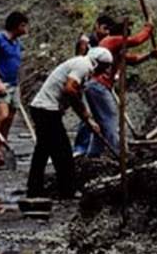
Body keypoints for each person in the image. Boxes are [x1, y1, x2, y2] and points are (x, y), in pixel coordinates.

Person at [26, 47, 110, 200]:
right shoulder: (83, 65)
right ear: (98, 63)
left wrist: (88, 119)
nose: (105, 71)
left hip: (43, 109)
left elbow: (74, 95)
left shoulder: (83, 67)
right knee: (62, 152)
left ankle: (34, 190)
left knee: (43, 151)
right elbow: (70, 90)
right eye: (104, 67)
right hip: (46, 110)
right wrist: (86, 116)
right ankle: (66, 191)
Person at [73, 17, 157, 159]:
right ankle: (118, 154)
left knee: (101, 122)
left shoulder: (115, 48)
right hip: (98, 86)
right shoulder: (111, 40)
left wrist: (150, 55)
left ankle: (94, 154)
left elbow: (132, 60)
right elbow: (137, 40)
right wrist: (148, 28)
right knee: (110, 120)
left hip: (97, 87)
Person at [0, 10, 29, 169]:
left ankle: (2, 146)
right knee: (2, 114)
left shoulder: (17, 43)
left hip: (14, 84)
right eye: (24, 25)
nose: (26, 29)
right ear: (17, 26)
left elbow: (17, 64)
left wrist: (19, 84)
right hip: (1, 83)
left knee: (10, 118)